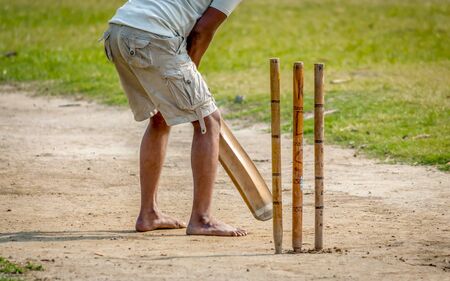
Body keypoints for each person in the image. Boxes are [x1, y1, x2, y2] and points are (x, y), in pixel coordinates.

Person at [101, 0, 246, 236]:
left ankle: (149, 214)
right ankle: (202, 218)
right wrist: (189, 74)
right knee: (208, 121)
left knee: (160, 117)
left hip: (119, 30)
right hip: (152, 35)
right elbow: (202, 31)